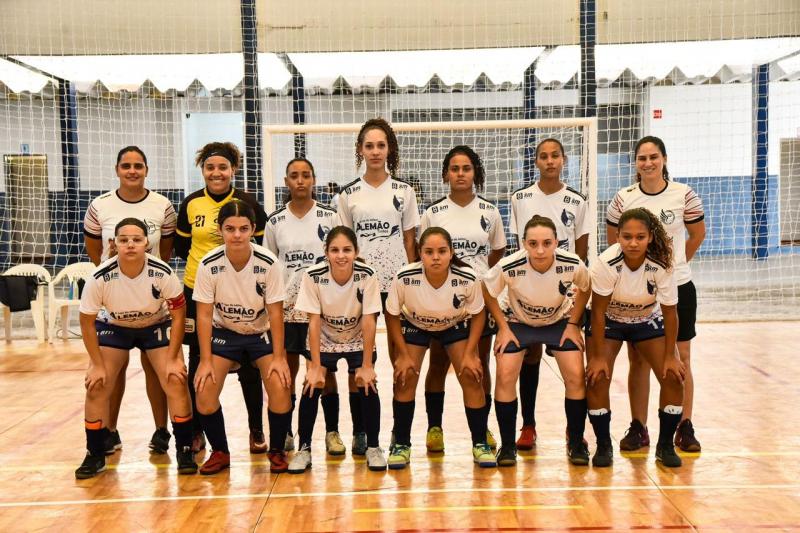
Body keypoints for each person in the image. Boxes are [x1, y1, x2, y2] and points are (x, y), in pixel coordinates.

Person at [606, 136, 705, 452]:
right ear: (635, 163)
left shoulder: (683, 194)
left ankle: (684, 426)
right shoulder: (624, 198)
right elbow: (614, 242)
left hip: (679, 287)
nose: (647, 163)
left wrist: (674, 266)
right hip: (639, 293)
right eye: (642, 158)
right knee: (638, 358)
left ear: (664, 158)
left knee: (680, 357)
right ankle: (639, 426)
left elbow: (697, 233)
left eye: (653, 157)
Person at [75, 218, 196, 479]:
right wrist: (95, 364)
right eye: (124, 240)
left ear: (147, 244)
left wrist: (175, 357)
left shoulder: (162, 272)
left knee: (175, 379)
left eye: (137, 240)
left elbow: (178, 315)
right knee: (96, 384)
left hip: (155, 324)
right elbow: (86, 322)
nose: (130, 244)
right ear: (114, 243)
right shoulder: (99, 277)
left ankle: (184, 449)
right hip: (115, 326)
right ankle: (94, 453)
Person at [174, 142, 269, 454]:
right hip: (197, 289)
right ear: (202, 170)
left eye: (222, 167)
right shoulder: (190, 205)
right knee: (200, 360)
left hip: (238, 291)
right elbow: (181, 249)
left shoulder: (248, 203)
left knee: (248, 362)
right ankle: (198, 430)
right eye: (210, 167)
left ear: (233, 170)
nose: (216, 173)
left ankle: (256, 428)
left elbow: (259, 249)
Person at [83, 146, 176, 456]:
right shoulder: (100, 205)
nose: (132, 170)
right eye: (126, 165)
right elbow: (94, 249)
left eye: (138, 165)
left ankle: (161, 430)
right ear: (117, 169)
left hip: (153, 306)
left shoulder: (162, 205)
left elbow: (167, 247)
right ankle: (109, 431)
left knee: (157, 371)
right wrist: (116, 279)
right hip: (115, 309)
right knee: (112, 372)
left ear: (147, 169)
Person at [264, 158, 357, 456]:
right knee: (287, 373)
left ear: (314, 179)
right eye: (294, 176)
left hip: (322, 308)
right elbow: (270, 268)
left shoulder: (329, 217)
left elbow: (340, 261)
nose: (300, 181)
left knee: (324, 372)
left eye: (306, 175)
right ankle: (289, 431)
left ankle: (332, 432)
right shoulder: (275, 221)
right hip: (289, 309)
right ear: (286, 181)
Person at [191, 200, 292, 474]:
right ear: (220, 230)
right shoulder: (209, 264)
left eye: (243, 229)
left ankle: (277, 450)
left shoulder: (269, 263)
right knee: (204, 390)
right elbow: (203, 316)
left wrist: (280, 358)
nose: (237, 235)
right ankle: (221, 452)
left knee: (281, 386)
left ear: (253, 230)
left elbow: (275, 314)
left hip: (260, 334)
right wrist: (205, 359)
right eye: (230, 228)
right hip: (225, 334)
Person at [483, 215, 591, 466]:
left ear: (556, 242)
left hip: (559, 322)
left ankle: (575, 442)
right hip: (518, 322)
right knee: (505, 374)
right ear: (523, 243)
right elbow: (487, 291)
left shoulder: (571, 263)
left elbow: (586, 288)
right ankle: (508, 446)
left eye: (546, 243)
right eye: (533, 244)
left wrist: (574, 324)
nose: (540, 250)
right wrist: (503, 327)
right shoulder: (510, 265)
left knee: (576, 374)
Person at [419, 145, 506, 452]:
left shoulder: (490, 212)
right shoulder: (433, 213)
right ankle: (434, 427)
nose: (460, 174)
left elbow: (497, 253)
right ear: (446, 174)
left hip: (478, 301)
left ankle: (483, 427)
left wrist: (478, 277)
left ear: (475, 173)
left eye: (466, 168)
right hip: (440, 301)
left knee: (479, 363)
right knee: (439, 363)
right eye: (454, 169)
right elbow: (425, 253)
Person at [386, 227, 494, 469]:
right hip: (415, 323)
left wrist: (469, 354)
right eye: (429, 252)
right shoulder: (404, 277)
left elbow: (478, 314)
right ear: (420, 254)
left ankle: (480, 443)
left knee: (471, 375)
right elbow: (392, 314)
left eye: (442, 251)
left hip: (454, 324)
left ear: (451, 252)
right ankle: (401, 443)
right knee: (405, 376)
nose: (435, 257)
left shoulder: (467, 277)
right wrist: (402, 355)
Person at [507, 138, 591, 450]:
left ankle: (574, 430)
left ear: (563, 159)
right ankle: (527, 425)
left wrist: (571, 298)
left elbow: (580, 252)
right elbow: (519, 250)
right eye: (543, 156)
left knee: (571, 362)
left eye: (555, 155)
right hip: (529, 295)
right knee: (529, 356)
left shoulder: (576, 200)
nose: (550, 161)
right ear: (536, 162)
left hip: (563, 297)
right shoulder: (521, 197)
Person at [586, 207, 685, 468]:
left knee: (674, 378)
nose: (633, 242)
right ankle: (604, 444)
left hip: (645, 319)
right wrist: (596, 357)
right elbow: (596, 313)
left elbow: (671, 313)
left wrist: (670, 356)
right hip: (610, 320)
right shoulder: (606, 263)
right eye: (627, 236)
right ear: (617, 236)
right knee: (597, 378)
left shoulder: (662, 264)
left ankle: (664, 446)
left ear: (650, 237)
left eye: (639, 237)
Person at [289, 226, 386, 473]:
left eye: (347, 250)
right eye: (335, 250)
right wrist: (314, 365)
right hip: (324, 337)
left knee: (366, 381)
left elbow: (369, 319)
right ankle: (304, 449)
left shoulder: (367, 274)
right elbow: (312, 321)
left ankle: (372, 446)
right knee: (313, 382)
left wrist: (366, 365)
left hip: (357, 336)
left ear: (356, 251)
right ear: (326, 252)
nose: (341, 255)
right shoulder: (313, 275)